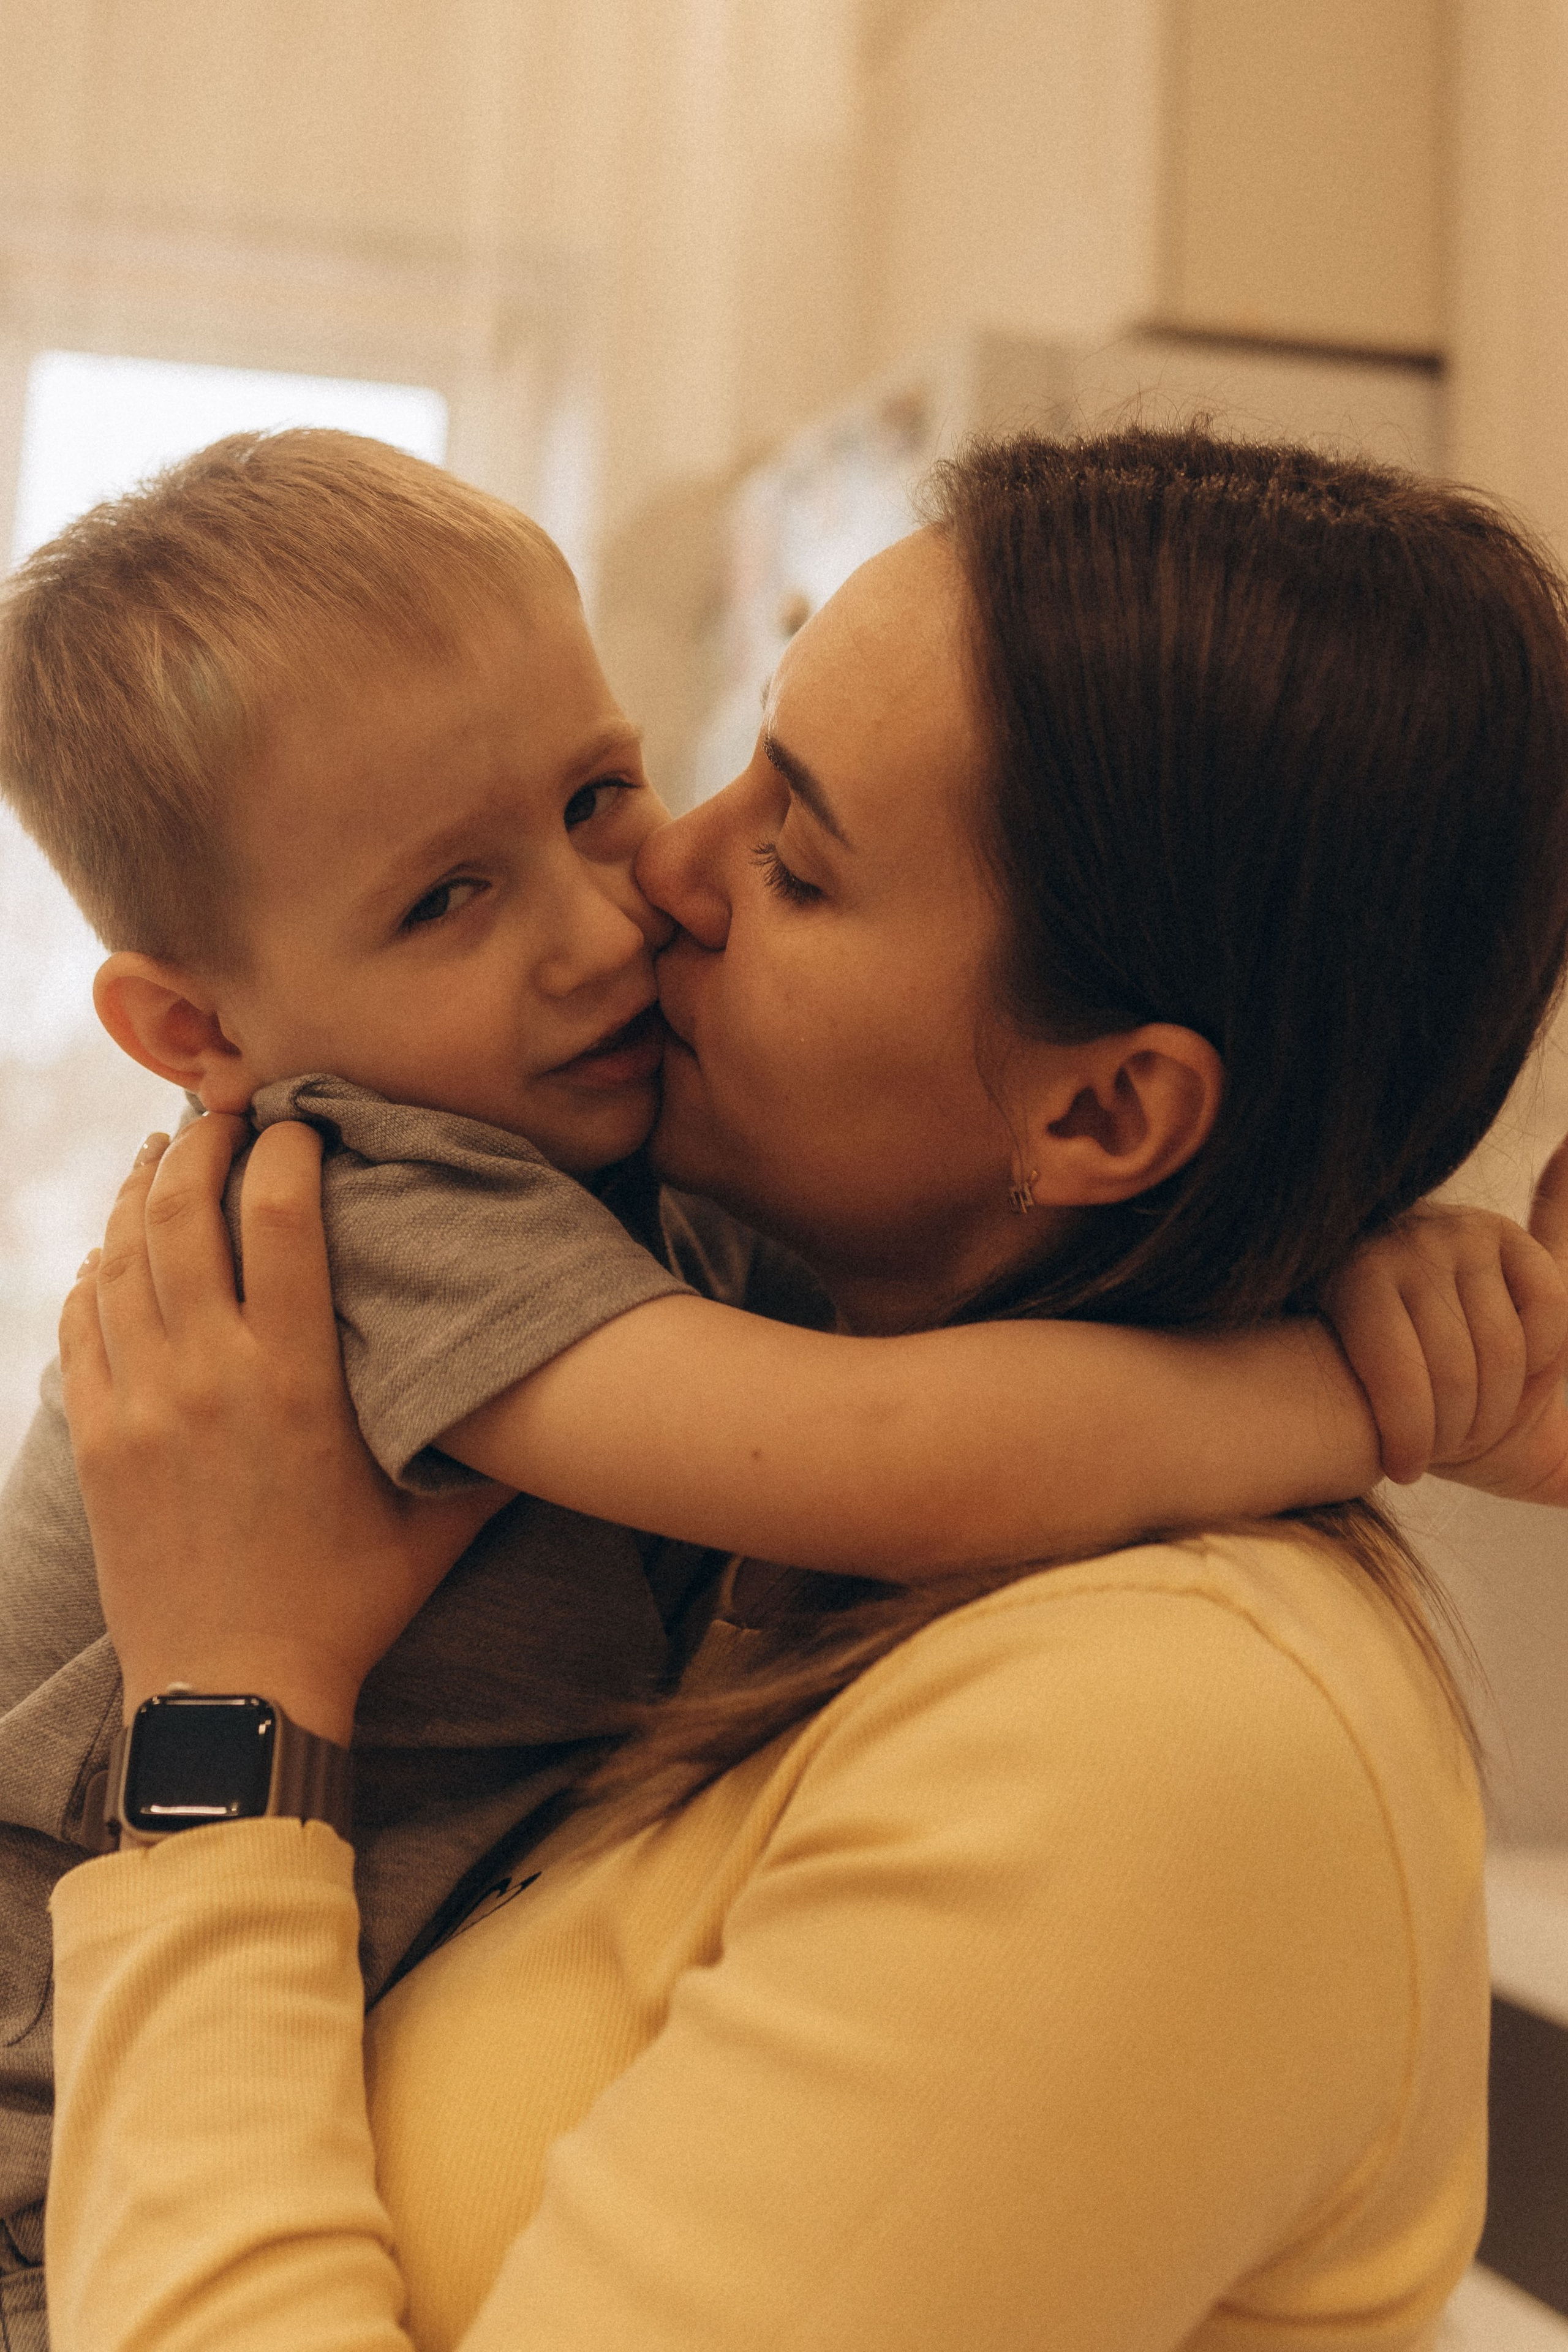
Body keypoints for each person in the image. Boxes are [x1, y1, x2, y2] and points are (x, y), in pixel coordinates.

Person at [7, 428, 1538, 2346]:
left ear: (1105, 1109)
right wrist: (1379, 1375)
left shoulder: (1152, 1738)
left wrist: (228, 1721)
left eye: (787, 855)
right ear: (193, 1025)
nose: (651, 887)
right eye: (447, 899)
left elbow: (922, 1452)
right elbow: (915, 1445)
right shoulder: (375, 1199)